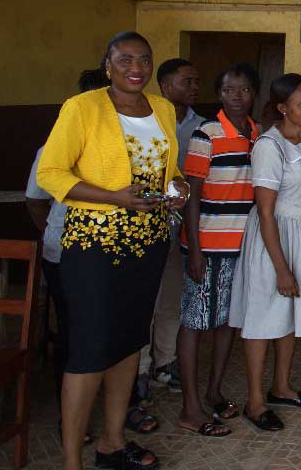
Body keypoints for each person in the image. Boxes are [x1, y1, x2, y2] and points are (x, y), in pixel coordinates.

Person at [38, 31, 187, 470]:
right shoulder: (81, 108)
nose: (135, 67)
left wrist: (176, 186)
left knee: (128, 342)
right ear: (108, 65)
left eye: (143, 59)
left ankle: (112, 442)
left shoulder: (162, 108)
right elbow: (50, 172)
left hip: (148, 244)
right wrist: (115, 198)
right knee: (89, 349)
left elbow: (168, 167)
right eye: (124, 60)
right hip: (95, 246)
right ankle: (71, 462)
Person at [229, 74, 301, 431]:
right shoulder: (270, 146)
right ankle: (254, 402)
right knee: (262, 318)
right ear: (282, 108)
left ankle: (281, 387)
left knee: (288, 314)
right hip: (275, 236)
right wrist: (282, 268)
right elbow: (266, 211)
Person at [24, 68, 109, 447]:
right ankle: (70, 417)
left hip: (111, 250)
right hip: (65, 253)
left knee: (108, 330)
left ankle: (112, 411)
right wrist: (51, 231)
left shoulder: (118, 148)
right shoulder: (52, 150)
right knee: (74, 333)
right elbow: (35, 199)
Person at [176, 63, 261, 437]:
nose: (236, 97)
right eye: (228, 91)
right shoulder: (205, 134)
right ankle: (190, 406)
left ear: (253, 93)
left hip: (242, 245)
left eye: (243, 90)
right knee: (195, 322)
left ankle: (213, 390)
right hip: (207, 245)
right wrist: (194, 248)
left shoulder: (257, 134)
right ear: (220, 95)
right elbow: (192, 195)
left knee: (227, 321)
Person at [146, 58, 202, 394]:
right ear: (165, 86)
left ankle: (164, 362)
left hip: (182, 221)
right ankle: (138, 367)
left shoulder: (201, 125)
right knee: (145, 300)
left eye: (196, 82)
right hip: (149, 220)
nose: (194, 87)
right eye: (187, 82)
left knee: (171, 297)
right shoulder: (148, 120)